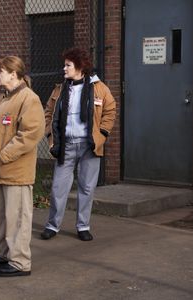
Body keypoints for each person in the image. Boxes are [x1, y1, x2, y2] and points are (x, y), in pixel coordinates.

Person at [0, 56, 45, 277]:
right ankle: (6, 254)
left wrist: (4, 155)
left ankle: (20, 262)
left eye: (0, 71)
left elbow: (31, 134)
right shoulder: (1, 99)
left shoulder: (29, 99)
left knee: (17, 219)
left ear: (13, 74)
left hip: (16, 171)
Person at [41, 47, 116, 242]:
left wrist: (102, 134)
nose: (64, 69)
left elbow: (110, 110)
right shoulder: (60, 89)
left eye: (68, 65)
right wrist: (50, 135)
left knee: (86, 187)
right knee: (58, 187)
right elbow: (48, 112)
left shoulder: (98, 87)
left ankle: (83, 226)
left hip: (89, 146)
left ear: (80, 67)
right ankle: (52, 225)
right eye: (64, 65)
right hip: (65, 145)